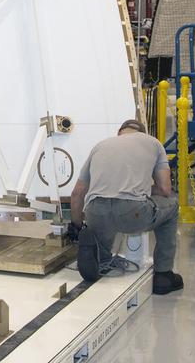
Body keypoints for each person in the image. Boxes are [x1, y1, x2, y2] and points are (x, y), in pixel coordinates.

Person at [68, 119, 183, 295]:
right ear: (143, 133)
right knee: (172, 205)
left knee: (102, 221)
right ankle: (163, 274)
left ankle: (101, 260)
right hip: (132, 213)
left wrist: (77, 227)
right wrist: (143, 188)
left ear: (119, 133)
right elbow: (165, 189)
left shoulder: (100, 146)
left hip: (95, 210)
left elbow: (77, 193)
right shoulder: (154, 143)